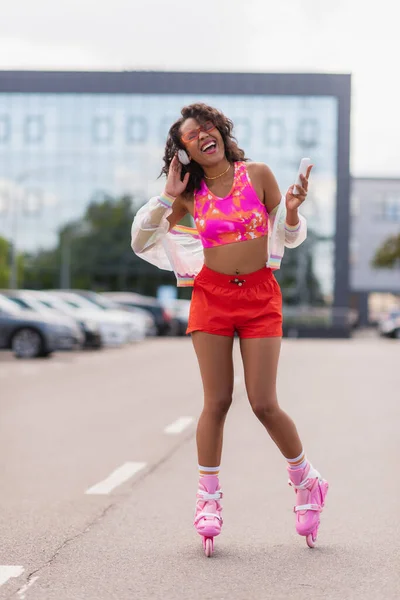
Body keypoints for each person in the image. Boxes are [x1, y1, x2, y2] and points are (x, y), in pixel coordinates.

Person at [131, 103, 328, 555]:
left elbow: (289, 237)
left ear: (220, 131)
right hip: (212, 297)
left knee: (263, 403)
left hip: (260, 296)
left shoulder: (257, 174)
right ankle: (208, 501)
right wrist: (167, 194)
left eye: (207, 128)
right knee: (216, 401)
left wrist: (293, 213)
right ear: (183, 151)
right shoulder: (186, 196)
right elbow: (143, 241)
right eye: (191, 135)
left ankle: (307, 480)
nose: (203, 136)